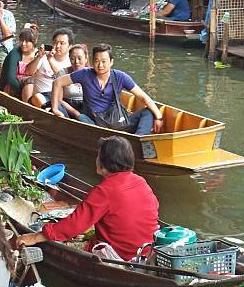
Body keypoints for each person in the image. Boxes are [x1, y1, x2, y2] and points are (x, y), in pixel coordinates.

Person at [17, 136, 159, 261]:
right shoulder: (141, 181)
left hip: (120, 256)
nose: (96, 159)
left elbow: (75, 225)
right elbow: (153, 207)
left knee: (62, 245)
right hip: (146, 250)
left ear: (104, 162)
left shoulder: (104, 191)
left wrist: (35, 237)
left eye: (98, 156)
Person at [52, 43, 163, 136]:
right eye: (96, 61)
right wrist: (55, 109)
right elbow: (57, 82)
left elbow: (143, 96)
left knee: (149, 112)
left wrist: (159, 117)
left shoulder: (120, 76)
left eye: (104, 61)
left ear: (111, 62)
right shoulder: (85, 74)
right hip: (94, 124)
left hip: (118, 121)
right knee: (82, 119)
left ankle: (138, 140)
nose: (100, 65)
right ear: (92, 61)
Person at [25, 28, 73, 109]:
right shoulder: (43, 57)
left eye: (62, 43)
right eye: (55, 42)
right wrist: (38, 57)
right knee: (39, 99)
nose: (57, 46)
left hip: (61, 100)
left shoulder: (72, 62)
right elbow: (28, 72)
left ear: (70, 46)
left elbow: (67, 83)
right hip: (40, 98)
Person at [0, 26, 38, 102]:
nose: (23, 44)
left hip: (32, 88)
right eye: (21, 41)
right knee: (30, 81)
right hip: (11, 87)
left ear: (34, 42)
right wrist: (21, 92)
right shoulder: (14, 53)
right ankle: (27, 105)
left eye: (27, 41)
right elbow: (10, 78)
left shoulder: (38, 54)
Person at [54, 43, 89, 117]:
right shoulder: (62, 73)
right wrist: (76, 113)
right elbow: (59, 100)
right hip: (66, 107)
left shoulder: (91, 73)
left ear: (86, 59)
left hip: (86, 107)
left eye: (79, 58)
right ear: (69, 59)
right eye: (73, 58)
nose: (76, 62)